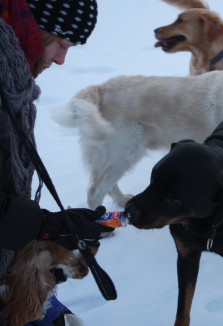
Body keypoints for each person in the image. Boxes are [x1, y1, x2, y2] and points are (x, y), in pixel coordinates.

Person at [0, 0, 113, 324]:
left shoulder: (11, 84)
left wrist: (49, 226)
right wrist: (42, 225)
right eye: (62, 43)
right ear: (32, 27)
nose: (62, 60)